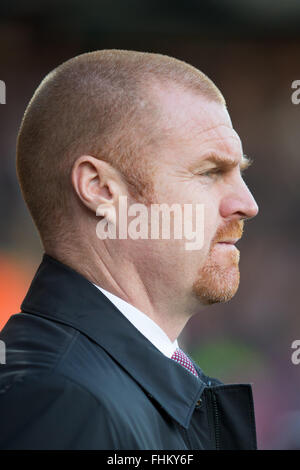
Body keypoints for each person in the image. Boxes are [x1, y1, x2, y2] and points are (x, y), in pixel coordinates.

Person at [0, 50, 259, 450]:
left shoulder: (92, 390)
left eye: (238, 173)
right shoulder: (60, 399)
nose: (247, 203)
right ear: (101, 189)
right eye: (210, 173)